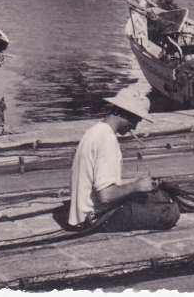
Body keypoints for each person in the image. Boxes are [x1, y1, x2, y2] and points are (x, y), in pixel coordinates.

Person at [67, 88, 180, 232]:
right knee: (170, 212)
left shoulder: (96, 130)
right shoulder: (107, 140)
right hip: (96, 218)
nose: (135, 126)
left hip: (81, 215)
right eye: (136, 120)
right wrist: (135, 186)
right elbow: (105, 196)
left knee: (158, 197)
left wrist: (134, 183)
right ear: (127, 114)